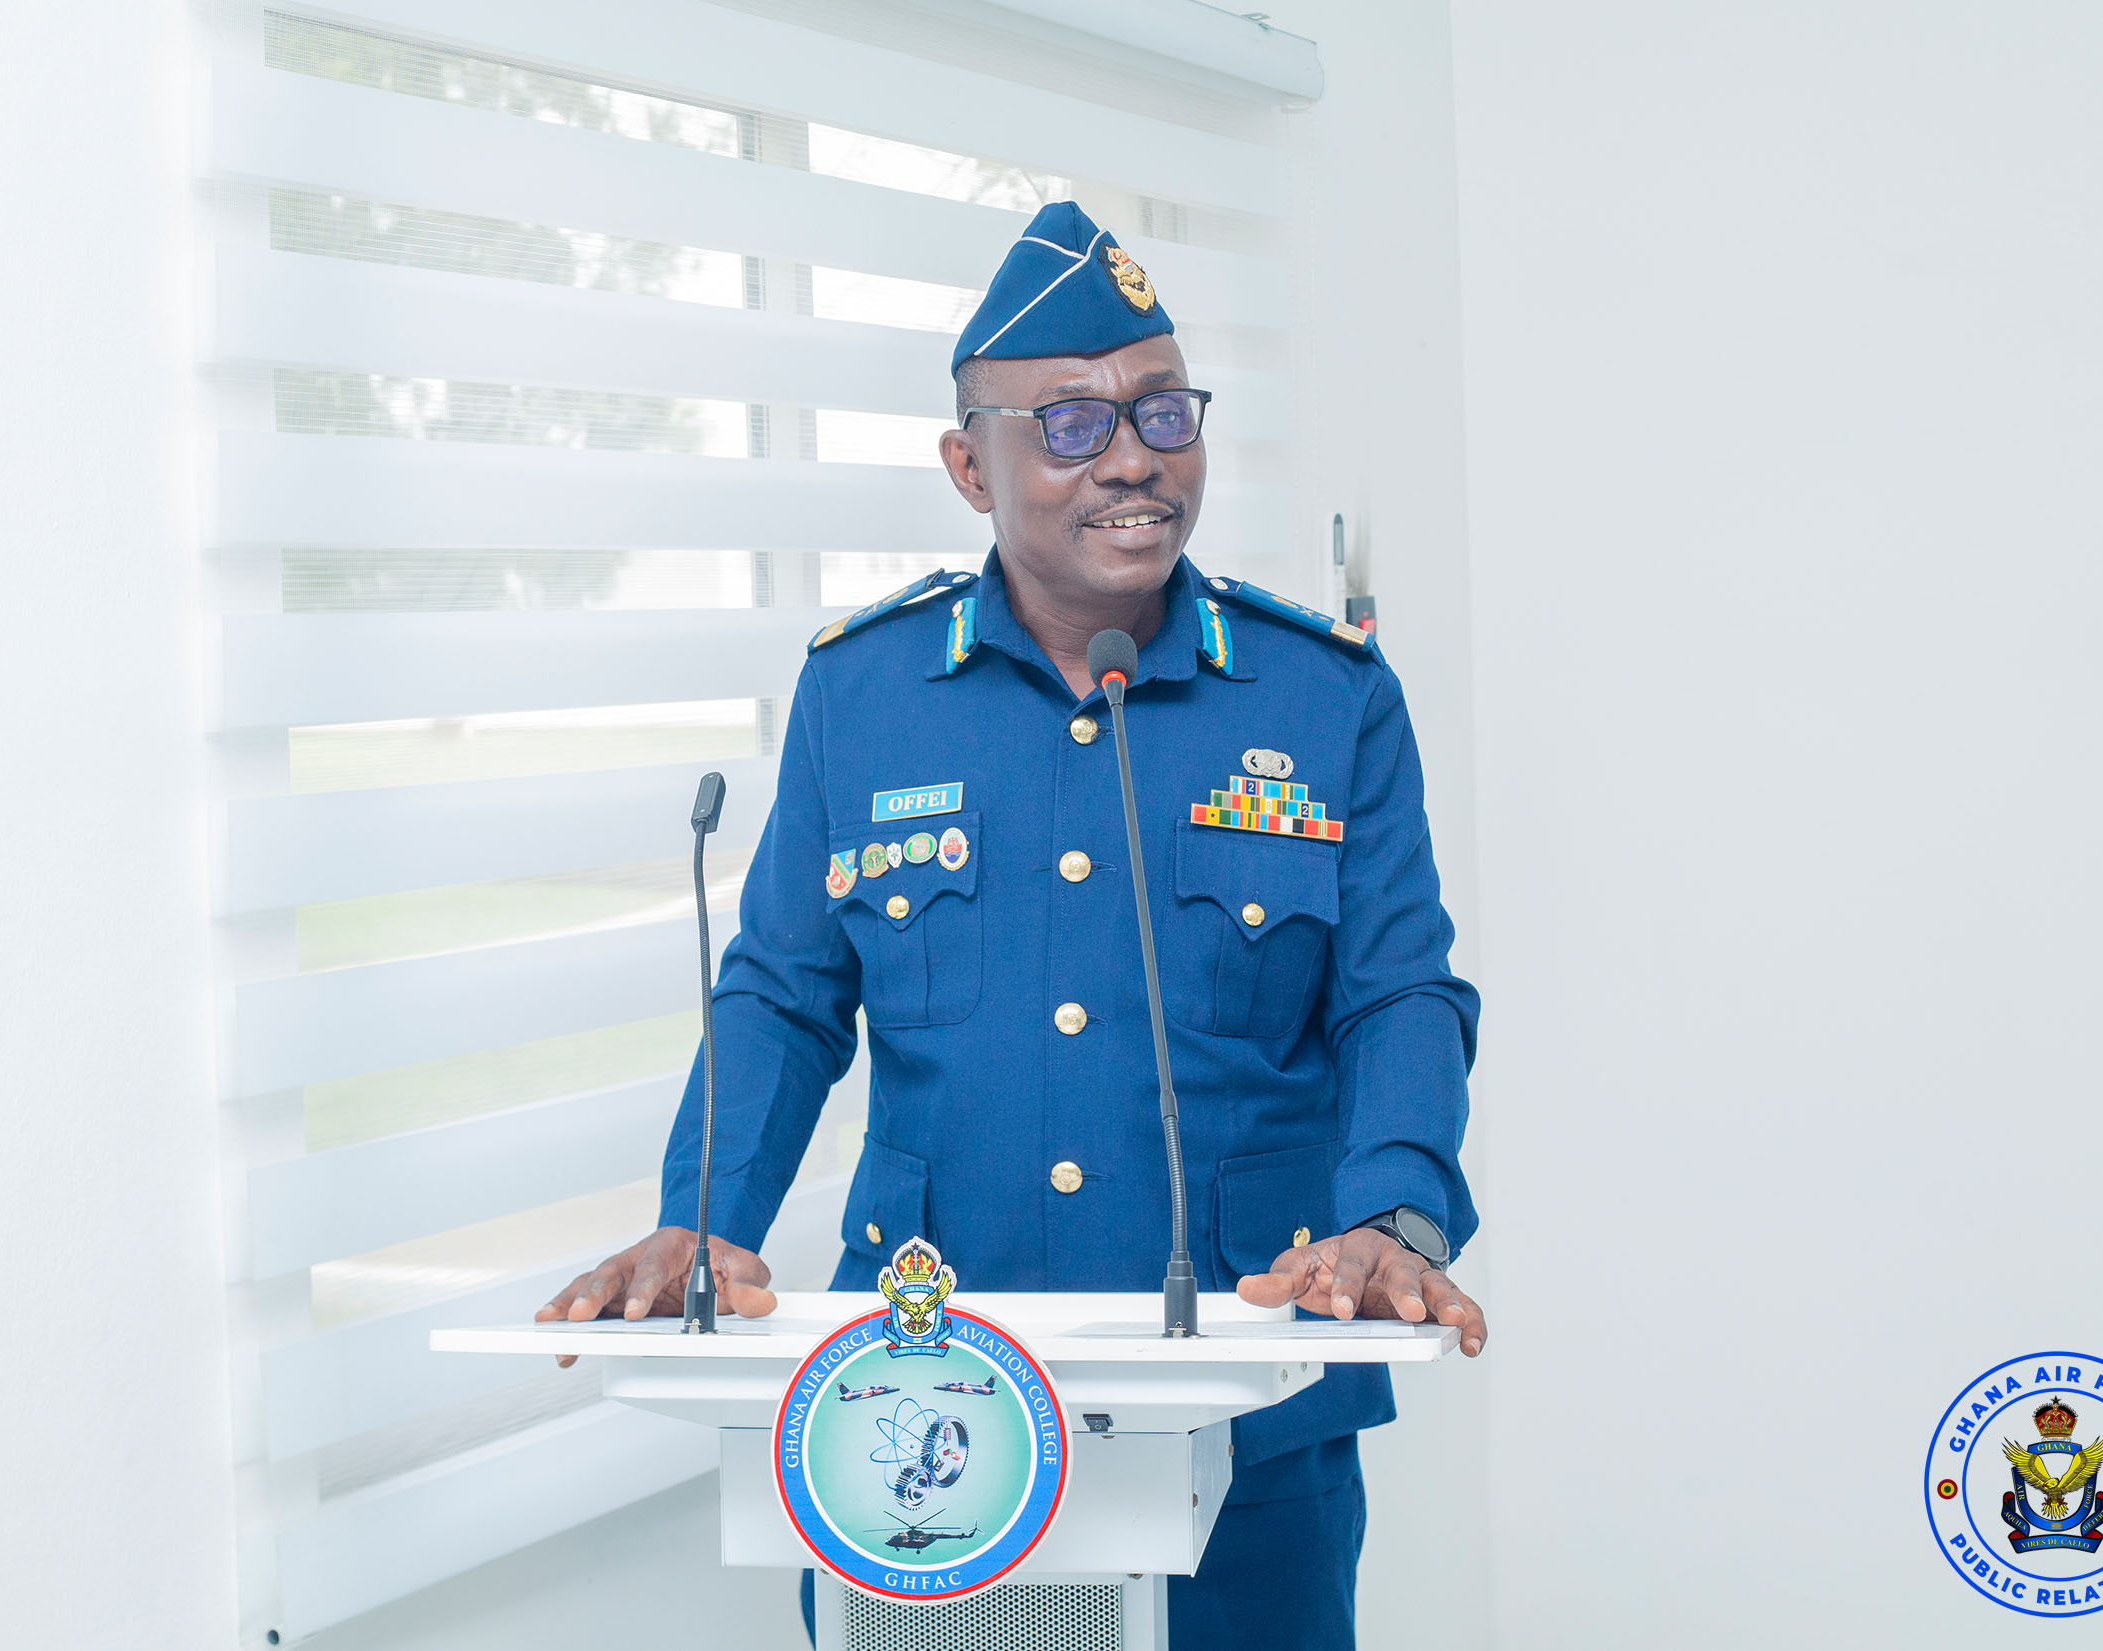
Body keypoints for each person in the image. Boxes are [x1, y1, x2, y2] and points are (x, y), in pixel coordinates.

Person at [539, 201, 1485, 1649]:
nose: (1132, 457)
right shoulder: (865, 693)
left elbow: (1396, 995)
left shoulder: (1322, 696)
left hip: (1246, 1395)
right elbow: (785, 994)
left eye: (1162, 412)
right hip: (926, 1403)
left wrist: (1392, 1217)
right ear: (968, 467)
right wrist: (704, 1219)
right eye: (1069, 425)